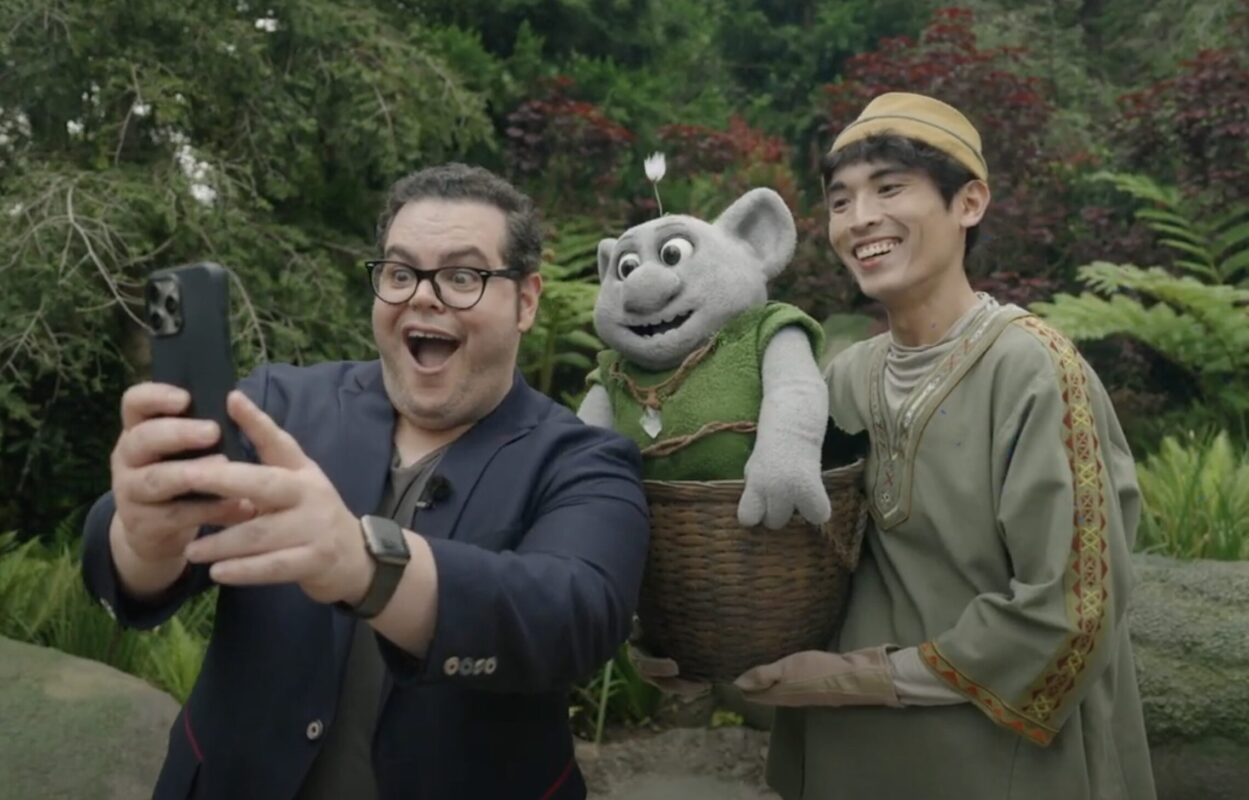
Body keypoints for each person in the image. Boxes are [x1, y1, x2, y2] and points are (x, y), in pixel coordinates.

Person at [81, 163, 650, 799]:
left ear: (525, 300)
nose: (424, 295)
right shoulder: (276, 408)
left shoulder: (584, 460)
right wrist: (147, 539)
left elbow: (577, 615)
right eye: (401, 272)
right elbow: (129, 553)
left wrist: (366, 566)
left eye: (462, 275)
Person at [719, 93, 1156, 798]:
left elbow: (1072, 613)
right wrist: (703, 641)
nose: (859, 219)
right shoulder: (841, 377)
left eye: (889, 188)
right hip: (847, 759)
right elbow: (791, 564)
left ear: (969, 202)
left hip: (994, 764)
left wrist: (854, 678)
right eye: (839, 200)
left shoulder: (1031, 369)